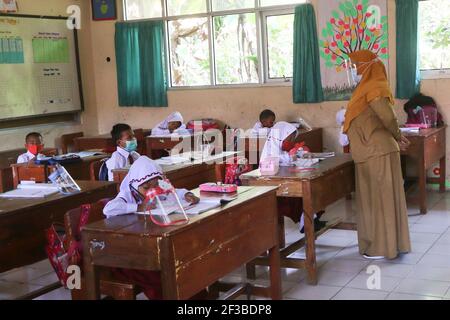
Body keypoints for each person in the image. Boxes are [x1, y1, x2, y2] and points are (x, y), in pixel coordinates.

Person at [343, 50, 411, 260]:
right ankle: (391, 244)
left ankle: (382, 247)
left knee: (378, 199)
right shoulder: (366, 88)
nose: (354, 70)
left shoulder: (373, 88)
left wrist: (399, 136)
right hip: (373, 150)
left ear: (366, 66)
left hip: (376, 151)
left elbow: (388, 118)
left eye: (355, 66)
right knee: (380, 198)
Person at [103, 156, 201, 299]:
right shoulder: (127, 195)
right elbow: (108, 209)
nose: (151, 190)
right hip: (128, 250)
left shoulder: (157, 190)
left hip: (149, 245)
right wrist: (138, 206)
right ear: (135, 185)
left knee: (183, 263)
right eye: (146, 188)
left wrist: (188, 194)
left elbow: (175, 191)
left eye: (154, 185)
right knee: (160, 274)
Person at [260, 122, 325, 234]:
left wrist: (300, 153)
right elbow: (277, 160)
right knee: (301, 192)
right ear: (280, 136)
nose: (290, 142)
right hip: (275, 189)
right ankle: (307, 221)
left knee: (310, 188)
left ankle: (311, 219)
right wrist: (291, 156)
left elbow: (289, 157)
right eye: (289, 139)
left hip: (286, 183)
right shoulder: (271, 148)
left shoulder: (280, 145)